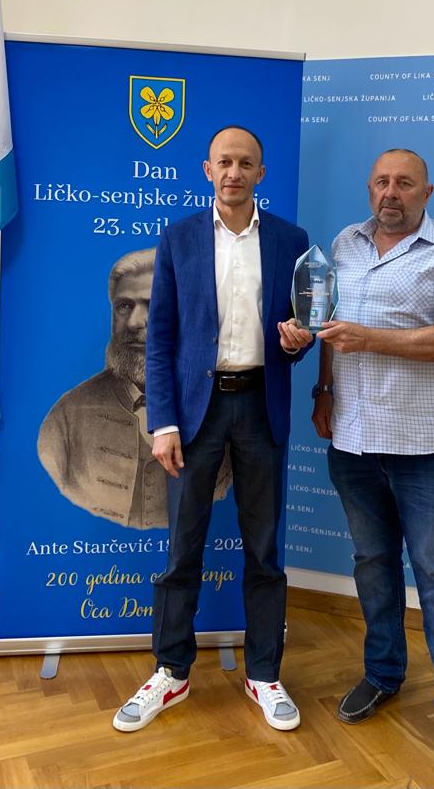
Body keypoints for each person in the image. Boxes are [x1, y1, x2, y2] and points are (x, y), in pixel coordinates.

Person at [113, 125, 312, 735]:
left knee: (264, 549)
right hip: (194, 413)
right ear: (208, 170)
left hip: (260, 406)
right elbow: (161, 340)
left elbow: (300, 328)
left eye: (245, 163)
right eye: (224, 162)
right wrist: (163, 422)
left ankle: (264, 674)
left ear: (261, 174)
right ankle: (171, 671)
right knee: (183, 548)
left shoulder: (291, 241)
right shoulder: (179, 238)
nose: (234, 172)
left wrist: (297, 343)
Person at [312, 148, 434, 784]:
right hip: (353, 443)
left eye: (405, 183)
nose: (392, 192)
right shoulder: (344, 244)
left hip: (426, 450)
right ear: (370, 189)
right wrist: (324, 387)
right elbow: (329, 326)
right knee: (373, 566)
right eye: (382, 181)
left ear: (427, 192)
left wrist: (369, 339)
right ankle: (383, 674)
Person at [38, 249, 232, 529]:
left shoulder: (222, 409)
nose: (134, 322)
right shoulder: (65, 419)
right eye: (124, 306)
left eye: (154, 305)